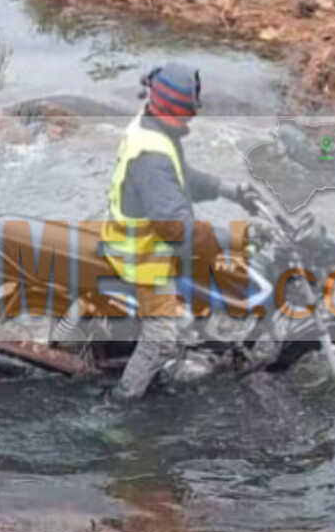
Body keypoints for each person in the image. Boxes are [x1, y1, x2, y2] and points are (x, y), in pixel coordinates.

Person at [94, 63, 256, 400]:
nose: (191, 120)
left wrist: (232, 191)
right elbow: (175, 229)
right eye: (187, 113)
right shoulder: (153, 155)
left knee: (207, 276)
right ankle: (121, 402)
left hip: (131, 230)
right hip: (141, 255)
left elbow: (180, 177)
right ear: (173, 110)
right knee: (162, 337)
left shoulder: (152, 129)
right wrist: (234, 238)